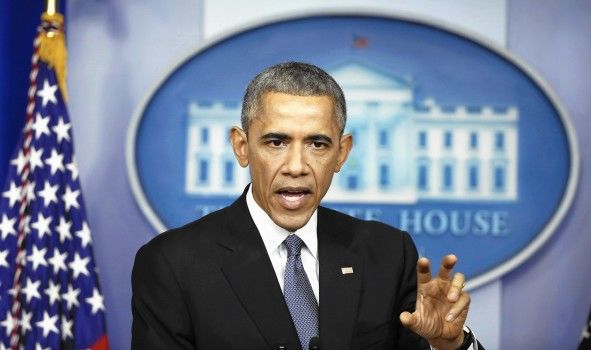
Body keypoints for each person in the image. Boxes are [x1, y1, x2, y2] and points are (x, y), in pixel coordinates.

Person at [131, 62, 483, 350]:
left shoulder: (388, 254)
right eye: (276, 142)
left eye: (317, 144)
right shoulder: (172, 263)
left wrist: (450, 344)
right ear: (241, 146)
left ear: (341, 153)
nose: (296, 165)